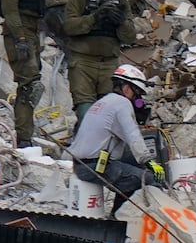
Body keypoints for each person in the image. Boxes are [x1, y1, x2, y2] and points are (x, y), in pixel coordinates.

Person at [68, 64, 165, 214]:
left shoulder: (104, 101)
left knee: (133, 169)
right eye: (136, 93)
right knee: (149, 178)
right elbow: (133, 136)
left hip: (81, 163)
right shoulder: (122, 103)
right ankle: (156, 218)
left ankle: (117, 214)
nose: (137, 99)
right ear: (126, 88)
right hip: (95, 167)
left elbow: (124, 137)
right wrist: (150, 162)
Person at [0, 0, 58, 148]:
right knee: (30, 84)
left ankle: (25, 134)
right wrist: (20, 38)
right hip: (19, 30)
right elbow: (10, 6)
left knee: (32, 84)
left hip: (30, 30)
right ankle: (23, 138)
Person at [64, 0, 136, 124]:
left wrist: (121, 22)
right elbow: (69, 27)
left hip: (109, 64)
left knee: (108, 113)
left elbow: (130, 37)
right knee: (85, 111)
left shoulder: (122, 3)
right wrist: (94, 18)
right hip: (82, 62)